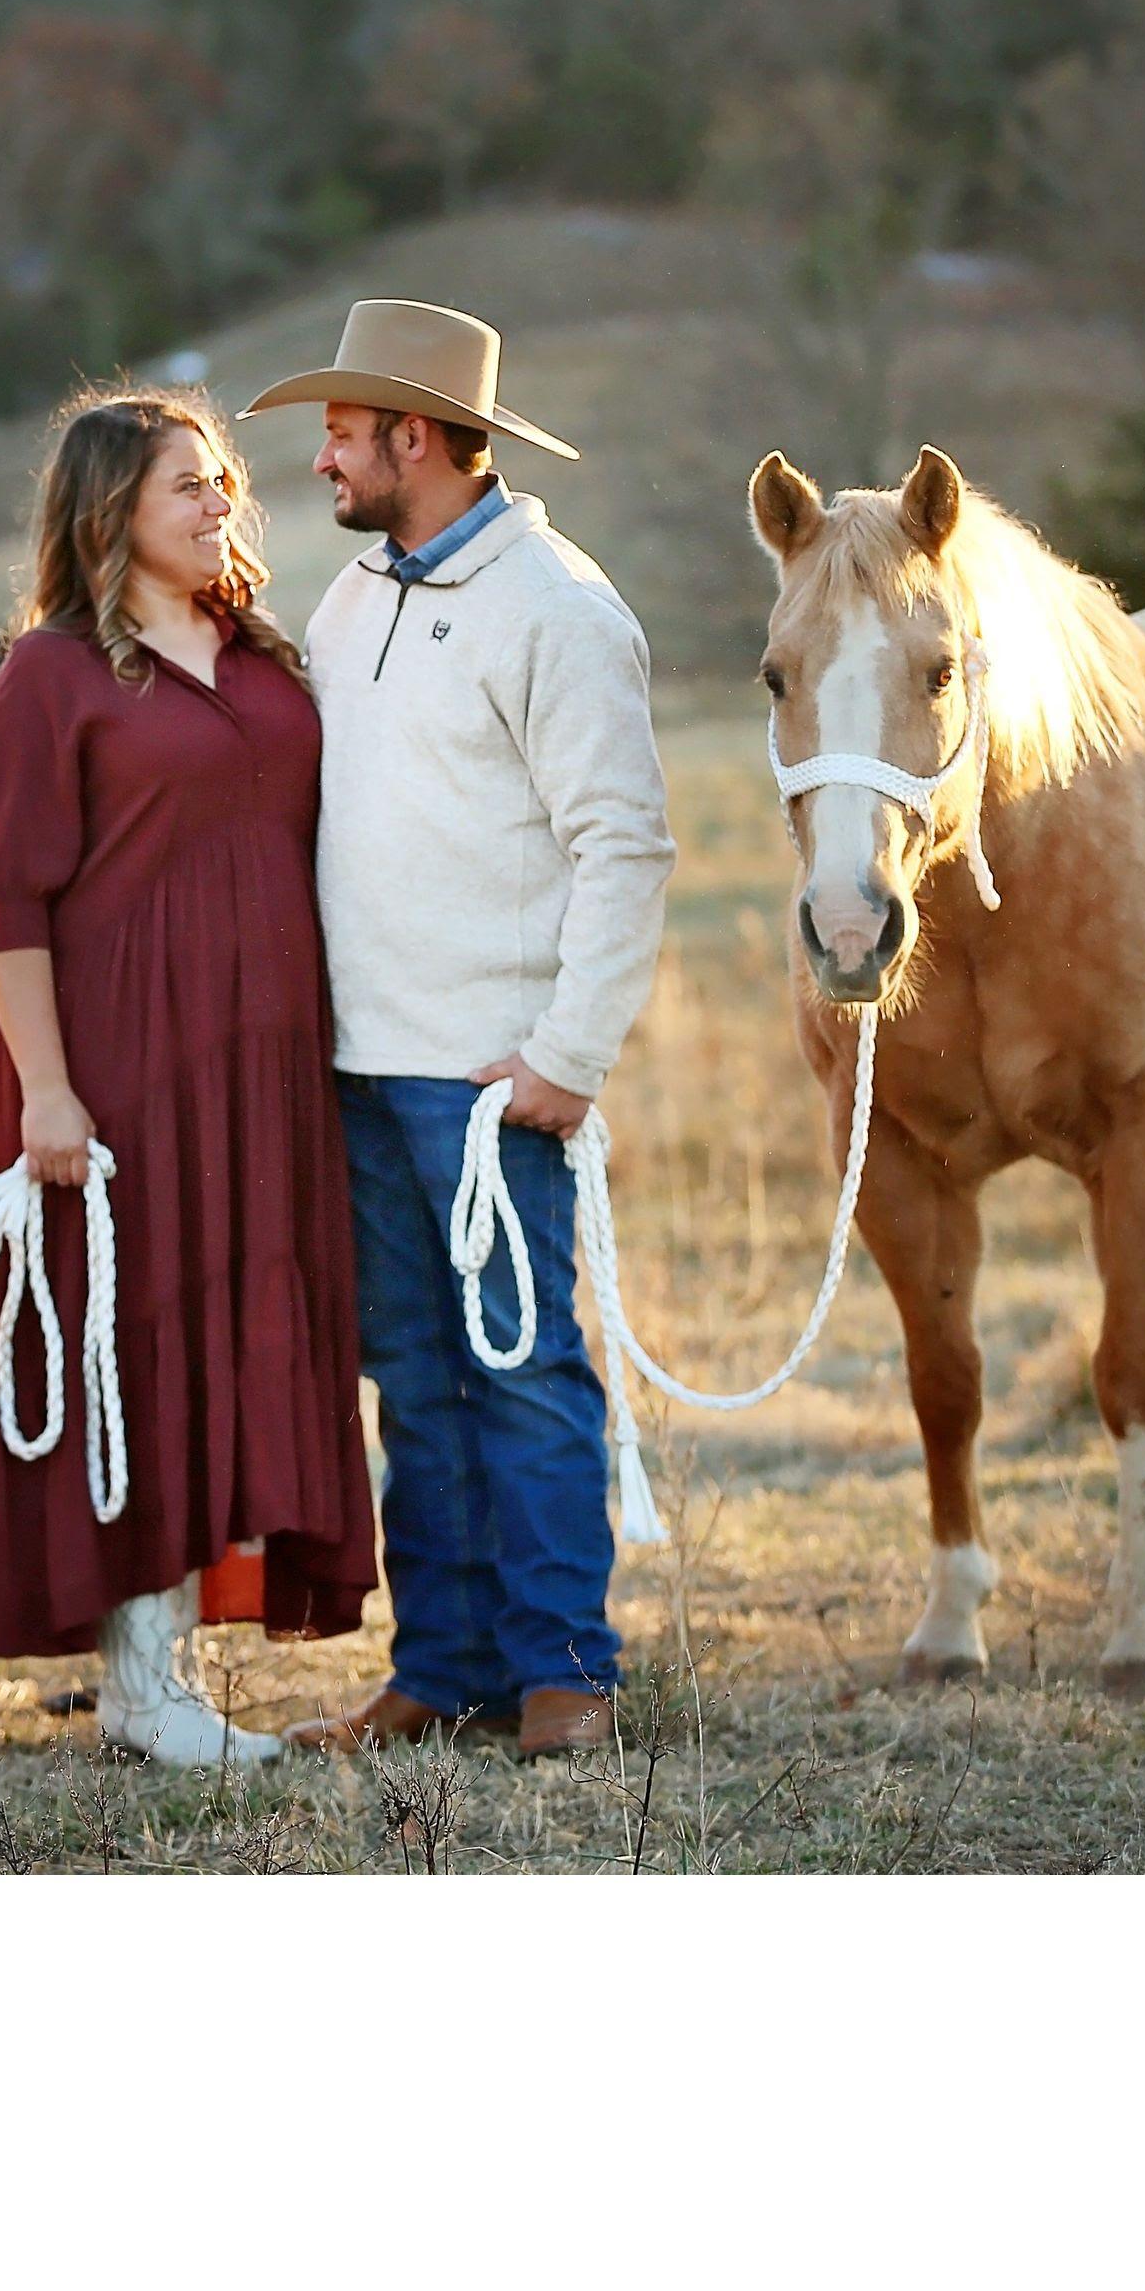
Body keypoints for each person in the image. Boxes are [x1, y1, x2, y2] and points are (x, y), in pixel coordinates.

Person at [242, 300, 675, 1760]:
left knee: (524, 1368)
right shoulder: (356, 597)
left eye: (340, 434)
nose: (321, 463)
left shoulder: (556, 607)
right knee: (414, 1385)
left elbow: (627, 843)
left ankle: (565, 1676)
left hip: (489, 1082)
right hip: (360, 1070)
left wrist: (569, 1054)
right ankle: (443, 1669)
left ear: (411, 438)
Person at [0, 385, 378, 1768]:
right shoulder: (50, 678)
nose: (221, 504)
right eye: (186, 485)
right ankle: (142, 1688)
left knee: (243, 1339)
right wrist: (52, 1096)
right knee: (135, 1347)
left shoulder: (262, 654)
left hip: (267, 1073)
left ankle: (186, 1665)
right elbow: (5, 902)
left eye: (223, 483)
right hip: (118, 1069)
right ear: (108, 512)